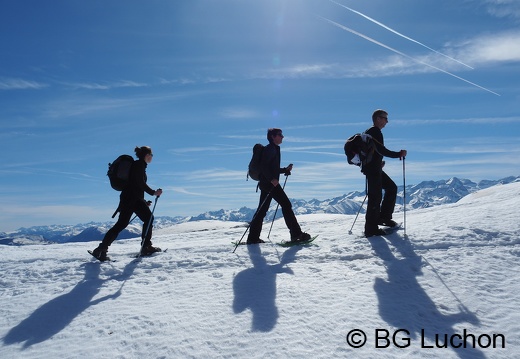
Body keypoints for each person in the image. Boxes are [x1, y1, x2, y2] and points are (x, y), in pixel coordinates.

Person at [91, 146, 163, 261]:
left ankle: (101, 250)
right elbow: (140, 183)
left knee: (123, 224)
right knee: (147, 219)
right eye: (152, 155)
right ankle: (146, 247)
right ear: (147, 155)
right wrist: (153, 192)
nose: (152, 158)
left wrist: (143, 202)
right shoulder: (139, 165)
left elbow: (134, 186)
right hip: (132, 199)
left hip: (129, 199)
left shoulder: (138, 166)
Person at [246, 128, 311, 244]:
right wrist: (272, 179)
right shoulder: (271, 149)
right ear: (272, 136)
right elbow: (264, 167)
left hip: (266, 183)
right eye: (280, 135)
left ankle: (253, 237)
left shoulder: (273, 148)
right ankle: (296, 235)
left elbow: (271, 168)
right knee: (286, 204)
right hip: (270, 184)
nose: (282, 137)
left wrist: (285, 170)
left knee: (262, 210)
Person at [363, 110, 407, 237]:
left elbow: (374, 151)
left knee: (390, 188)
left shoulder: (369, 132)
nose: (387, 121)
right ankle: (371, 229)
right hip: (373, 169)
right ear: (378, 119)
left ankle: (383, 218)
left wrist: (378, 162)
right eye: (385, 118)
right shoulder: (374, 132)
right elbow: (382, 150)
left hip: (373, 168)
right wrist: (398, 154)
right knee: (375, 197)